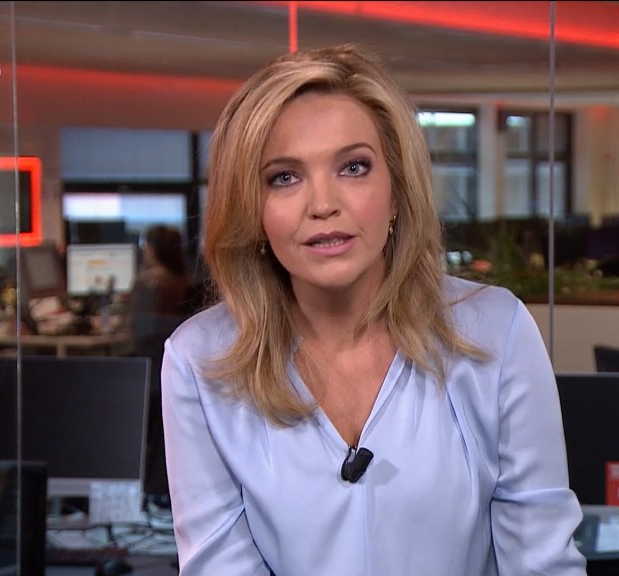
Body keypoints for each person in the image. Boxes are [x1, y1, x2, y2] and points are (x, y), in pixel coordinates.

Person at [161, 44, 586, 575]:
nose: (323, 204)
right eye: (284, 177)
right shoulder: (199, 360)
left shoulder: (496, 332)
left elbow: (543, 562)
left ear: (396, 192)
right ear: (252, 208)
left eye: (353, 167)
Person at [129, 224, 192, 501]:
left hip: (149, 371)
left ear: (152, 249)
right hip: (167, 371)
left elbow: (135, 333)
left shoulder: (150, 281)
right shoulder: (182, 280)